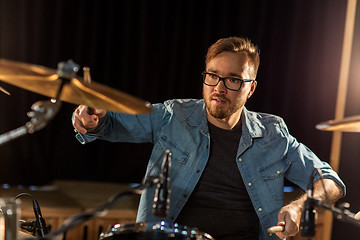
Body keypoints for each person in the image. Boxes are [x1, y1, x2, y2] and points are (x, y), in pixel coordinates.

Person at [72, 37, 345, 240]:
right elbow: (108, 123)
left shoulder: (273, 134)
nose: (219, 88)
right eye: (213, 75)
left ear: (251, 89)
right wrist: (91, 119)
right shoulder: (173, 115)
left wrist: (299, 207)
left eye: (233, 80)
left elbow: (330, 182)